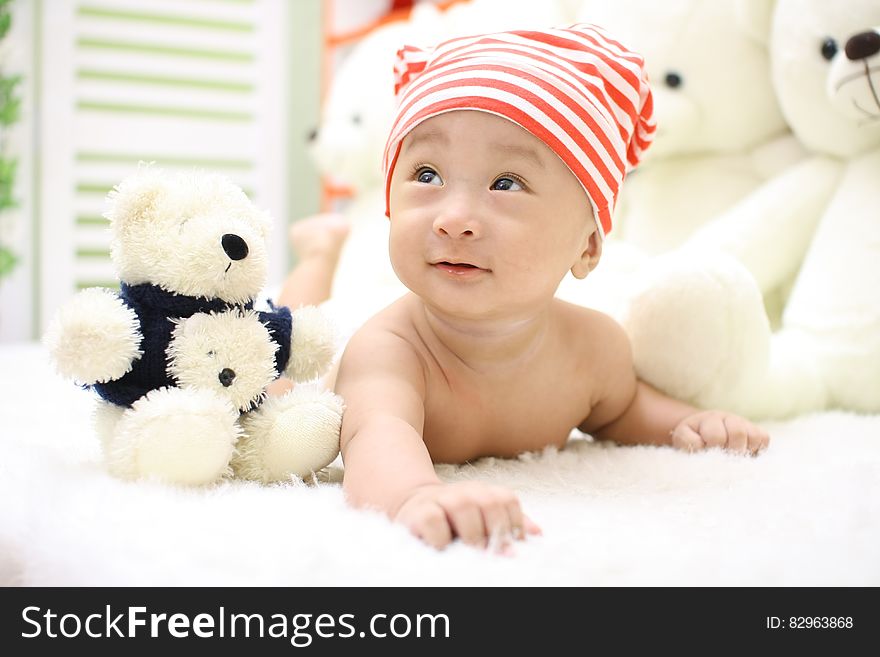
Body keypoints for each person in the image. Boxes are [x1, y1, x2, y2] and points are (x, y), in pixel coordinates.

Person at [299, 24, 771, 550]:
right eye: (427, 174)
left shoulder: (592, 350)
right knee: (298, 315)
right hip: (335, 332)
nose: (454, 220)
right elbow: (375, 437)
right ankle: (320, 255)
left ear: (587, 247)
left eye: (506, 184)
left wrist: (693, 423)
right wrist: (413, 496)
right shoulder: (389, 352)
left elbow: (622, 408)